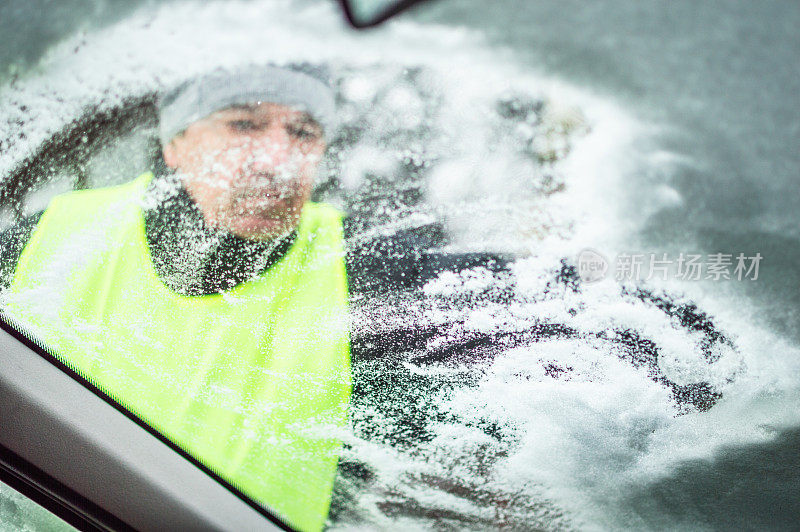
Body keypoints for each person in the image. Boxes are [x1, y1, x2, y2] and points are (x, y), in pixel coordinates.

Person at [0, 64, 734, 530]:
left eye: (304, 131)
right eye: (244, 122)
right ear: (175, 145)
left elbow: (565, 299)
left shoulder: (360, 271)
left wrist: (728, 303)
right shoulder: (42, 241)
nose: (279, 157)